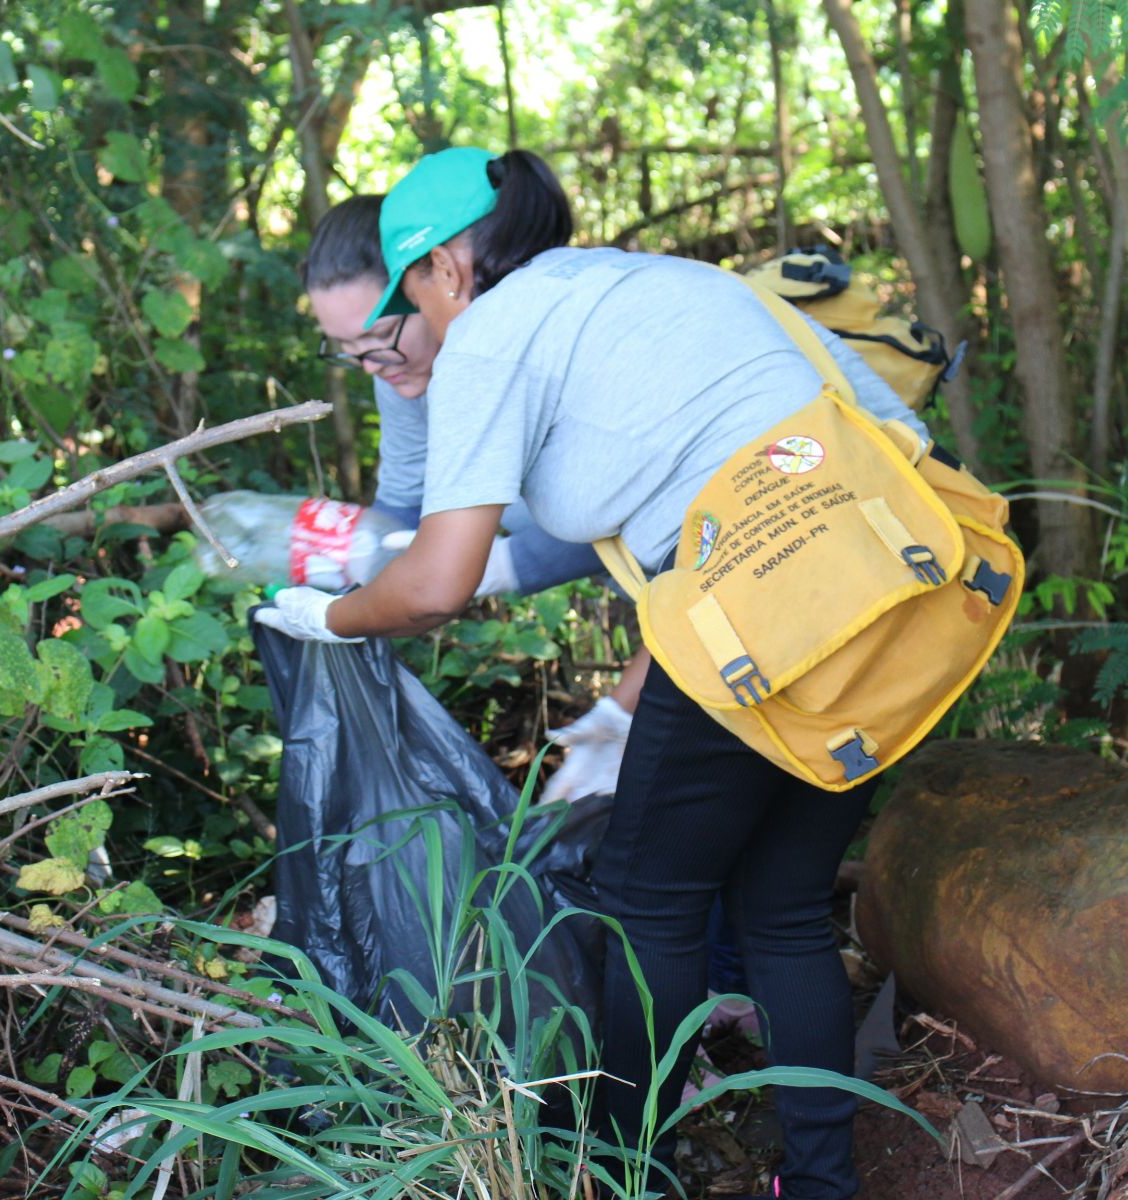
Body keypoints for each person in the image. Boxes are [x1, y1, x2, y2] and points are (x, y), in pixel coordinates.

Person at [257, 145, 931, 1200]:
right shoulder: (634, 285)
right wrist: (627, 700)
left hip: (765, 605)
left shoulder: (488, 339)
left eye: (400, 310)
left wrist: (330, 616)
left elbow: (436, 581)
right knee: (785, 907)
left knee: (644, 904)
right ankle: (818, 1184)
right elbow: (710, 491)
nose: (397, 341)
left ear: (446, 270)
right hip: (890, 585)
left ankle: (621, 1174)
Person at [300, 192, 639, 802]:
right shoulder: (404, 373)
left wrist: (496, 567)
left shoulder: (524, 349)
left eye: (377, 336)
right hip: (677, 587)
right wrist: (346, 576)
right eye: (346, 350)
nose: (370, 366)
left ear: (431, 282)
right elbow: (404, 508)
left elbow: (621, 503)